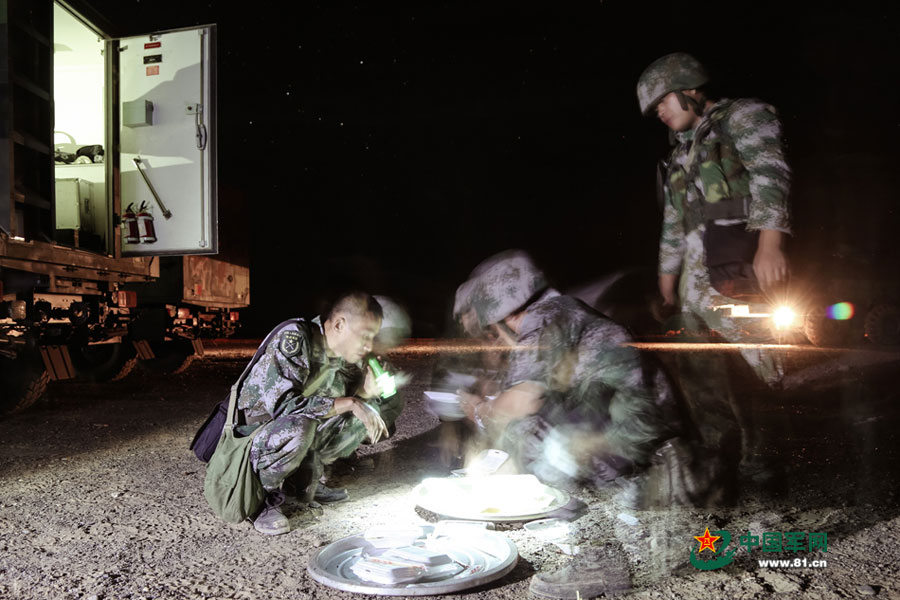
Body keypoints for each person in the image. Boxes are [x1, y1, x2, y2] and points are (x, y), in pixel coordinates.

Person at [453, 250, 695, 598]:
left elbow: (525, 400)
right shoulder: (564, 309)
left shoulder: (543, 318)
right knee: (539, 425)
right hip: (649, 435)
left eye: (493, 328)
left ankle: (601, 561)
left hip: (638, 441)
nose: (495, 336)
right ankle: (640, 518)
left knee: (529, 434)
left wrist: (481, 412)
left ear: (503, 312)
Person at [636, 52, 792, 489]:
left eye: (663, 102)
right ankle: (718, 462)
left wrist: (771, 241)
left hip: (738, 275)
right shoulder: (681, 151)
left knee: (754, 367)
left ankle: (764, 472)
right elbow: (672, 219)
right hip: (694, 287)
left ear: (689, 87)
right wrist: (667, 283)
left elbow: (770, 174)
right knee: (701, 373)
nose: (660, 113)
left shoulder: (743, 116)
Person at [234, 292, 392, 535]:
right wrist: (353, 403)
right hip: (253, 437)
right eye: (365, 336)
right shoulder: (295, 338)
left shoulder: (338, 354)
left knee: (360, 416)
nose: (369, 346)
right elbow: (285, 407)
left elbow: (337, 403)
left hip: (290, 426)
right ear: (339, 324)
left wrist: (365, 394)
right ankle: (263, 500)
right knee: (302, 425)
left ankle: (304, 483)